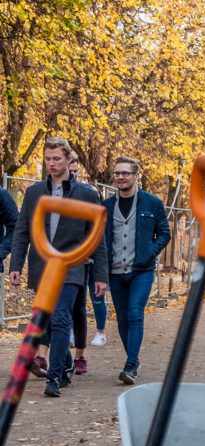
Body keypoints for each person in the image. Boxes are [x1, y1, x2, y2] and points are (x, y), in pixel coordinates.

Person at [9, 137, 108, 397]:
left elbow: (96, 238)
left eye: (57, 159)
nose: (52, 163)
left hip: (72, 265)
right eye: (48, 159)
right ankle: (64, 366)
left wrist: (99, 274)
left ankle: (54, 377)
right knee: (51, 322)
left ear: (68, 160)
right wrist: (16, 265)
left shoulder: (86, 194)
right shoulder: (34, 193)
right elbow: (22, 232)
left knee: (62, 317)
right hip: (42, 266)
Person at [104, 156, 171, 385]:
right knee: (122, 318)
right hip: (115, 271)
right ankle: (133, 359)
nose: (121, 177)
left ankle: (131, 364)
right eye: (117, 173)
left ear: (135, 176)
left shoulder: (152, 203)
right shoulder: (106, 207)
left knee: (135, 312)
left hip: (141, 270)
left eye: (125, 173)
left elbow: (164, 233)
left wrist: (149, 253)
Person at [67, 153, 108, 375]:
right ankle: (69, 342)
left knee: (96, 300)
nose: (71, 174)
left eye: (74, 171)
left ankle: (100, 331)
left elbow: (98, 233)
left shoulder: (89, 194)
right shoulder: (56, 194)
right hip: (72, 261)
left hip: (91, 258)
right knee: (73, 306)